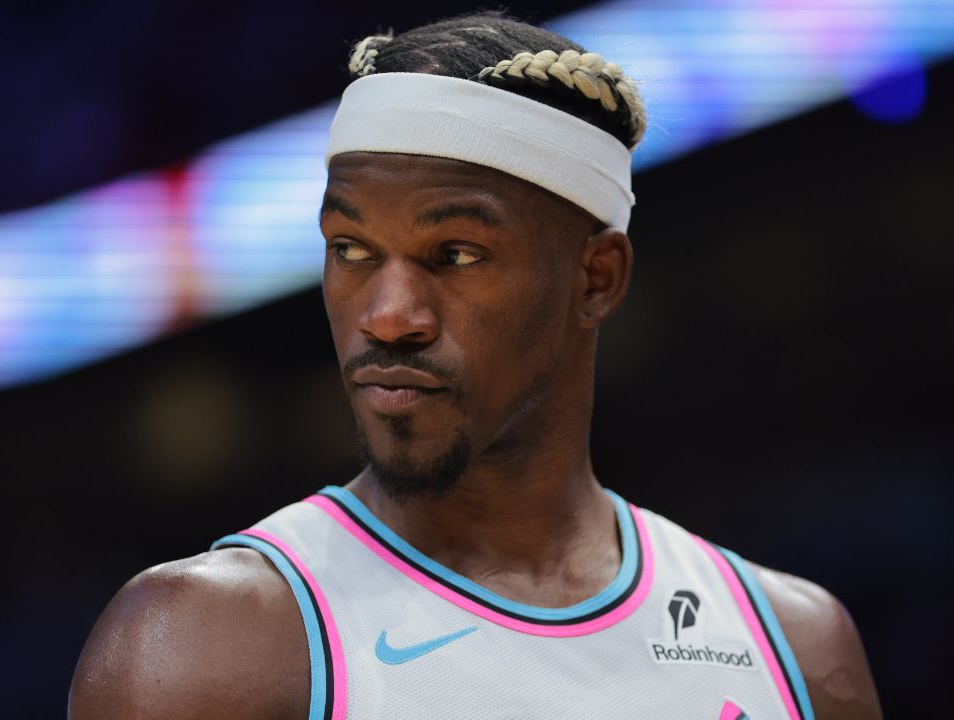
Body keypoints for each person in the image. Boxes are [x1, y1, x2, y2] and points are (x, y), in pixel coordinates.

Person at [69, 12, 884, 720]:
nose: (386, 315)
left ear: (595, 278)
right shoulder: (200, 651)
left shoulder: (796, 647)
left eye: (454, 254)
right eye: (350, 249)